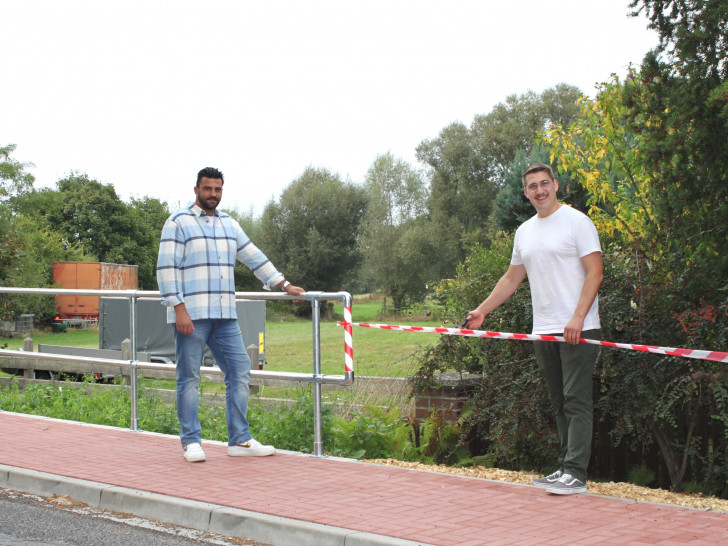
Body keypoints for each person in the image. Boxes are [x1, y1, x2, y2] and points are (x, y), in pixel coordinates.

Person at [463, 163, 603, 495]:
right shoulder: (524, 231)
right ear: (526, 193)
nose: (539, 190)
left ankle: (576, 474)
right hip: (543, 330)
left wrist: (578, 317)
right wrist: (482, 311)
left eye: (544, 183)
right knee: (558, 402)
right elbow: (512, 278)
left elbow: (595, 273)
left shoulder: (577, 222)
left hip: (578, 329)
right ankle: (565, 467)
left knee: (576, 400)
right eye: (532, 187)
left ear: (556, 185)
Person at [157, 167, 305, 463]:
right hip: (192, 315)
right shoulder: (178, 223)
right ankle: (191, 442)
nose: (213, 194)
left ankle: (239, 440)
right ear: (196, 189)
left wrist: (283, 284)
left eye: (218, 189)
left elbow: (253, 256)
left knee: (239, 371)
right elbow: (166, 268)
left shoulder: (229, 224)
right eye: (208, 188)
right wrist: (178, 308)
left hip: (225, 316)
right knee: (188, 377)